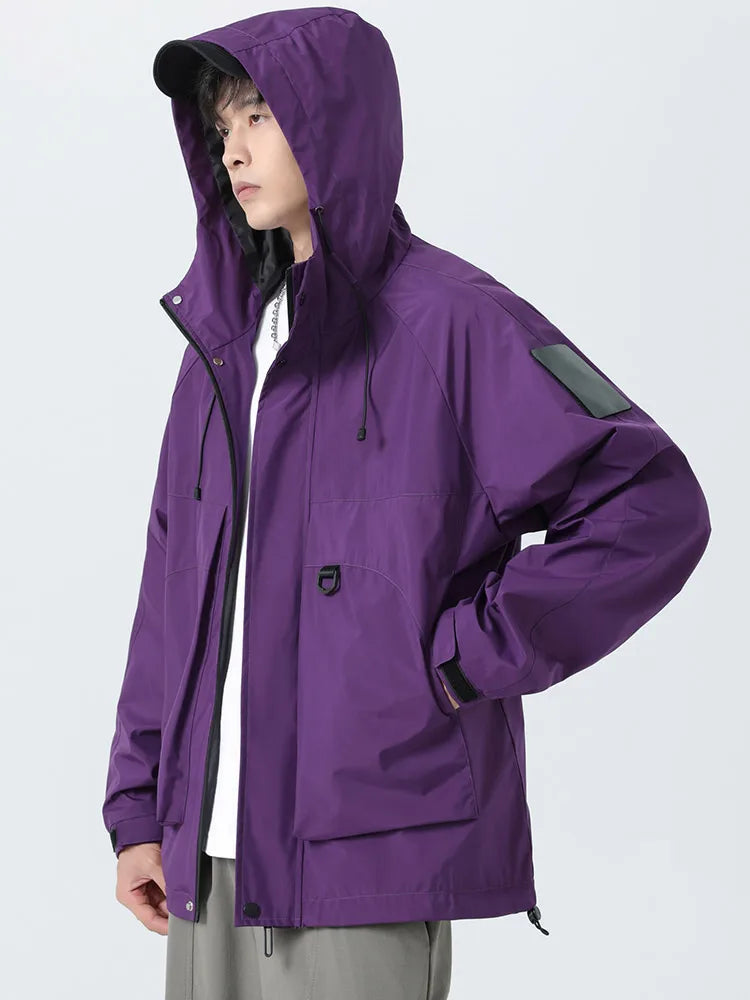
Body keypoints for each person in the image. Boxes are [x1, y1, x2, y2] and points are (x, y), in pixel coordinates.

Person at [101, 8, 712, 1000]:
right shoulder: (222, 344)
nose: (235, 150)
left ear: (335, 122)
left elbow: (651, 503)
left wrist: (464, 655)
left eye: (259, 116)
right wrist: (139, 806)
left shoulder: (454, 322)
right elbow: (172, 590)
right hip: (205, 862)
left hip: (366, 855)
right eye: (222, 127)